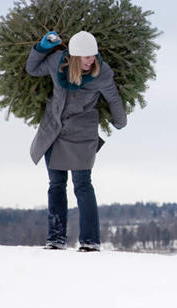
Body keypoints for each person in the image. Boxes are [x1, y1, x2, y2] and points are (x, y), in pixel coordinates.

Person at [26, 30, 127, 251]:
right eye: (86, 56)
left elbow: (113, 97)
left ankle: (90, 241)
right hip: (54, 130)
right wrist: (41, 48)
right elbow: (31, 69)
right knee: (56, 184)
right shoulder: (56, 63)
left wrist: (120, 121)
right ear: (74, 56)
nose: (91, 60)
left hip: (82, 134)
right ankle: (56, 238)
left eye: (93, 55)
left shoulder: (102, 73)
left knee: (82, 185)